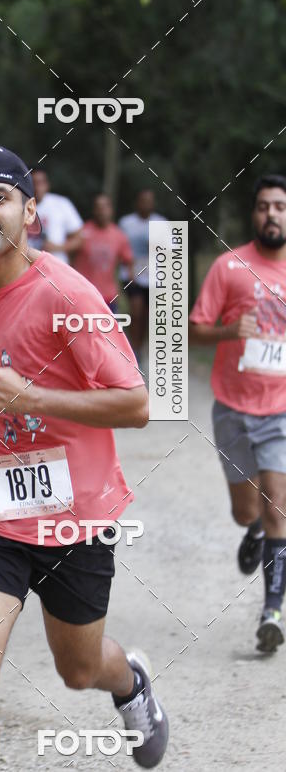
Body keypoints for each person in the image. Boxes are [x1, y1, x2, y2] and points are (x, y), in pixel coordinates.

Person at [0, 144, 169, 771]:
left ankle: (130, 681)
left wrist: (35, 398)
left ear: (30, 214)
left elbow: (137, 404)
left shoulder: (68, 293)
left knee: (78, 668)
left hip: (72, 519)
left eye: (0, 198)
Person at [189, 174, 286, 653]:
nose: (272, 214)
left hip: (280, 410)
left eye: (280, 207)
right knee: (246, 510)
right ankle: (251, 528)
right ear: (254, 214)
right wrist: (229, 331)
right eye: (264, 206)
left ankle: (273, 612)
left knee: (277, 506)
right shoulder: (229, 267)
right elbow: (194, 329)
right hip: (232, 407)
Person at [118, 191, 166, 361]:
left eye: (149, 201)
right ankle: (133, 349)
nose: (146, 204)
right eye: (143, 201)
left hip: (154, 277)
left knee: (146, 316)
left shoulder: (161, 223)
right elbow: (119, 247)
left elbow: (171, 249)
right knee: (136, 312)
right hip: (132, 274)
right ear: (137, 203)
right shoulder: (126, 223)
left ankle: (140, 346)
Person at [71, 193, 135, 314]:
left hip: (108, 297)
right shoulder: (82, 232)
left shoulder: (118, 235)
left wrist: (128, 284)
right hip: (83, 295)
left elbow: (129, 261)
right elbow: (69, 255)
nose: (102, 211)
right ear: (94, 210)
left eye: (105, 207)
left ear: (111, 210)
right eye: (98, 207)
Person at [27, 168, 82, 263]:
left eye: (40, 183)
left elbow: (79, 239)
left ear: (47, 185)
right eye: (34, 183)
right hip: (28, 266)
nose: (37, 187)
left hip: (55, 266)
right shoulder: (20, 205)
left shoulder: (61, 204)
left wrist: (57, 247)